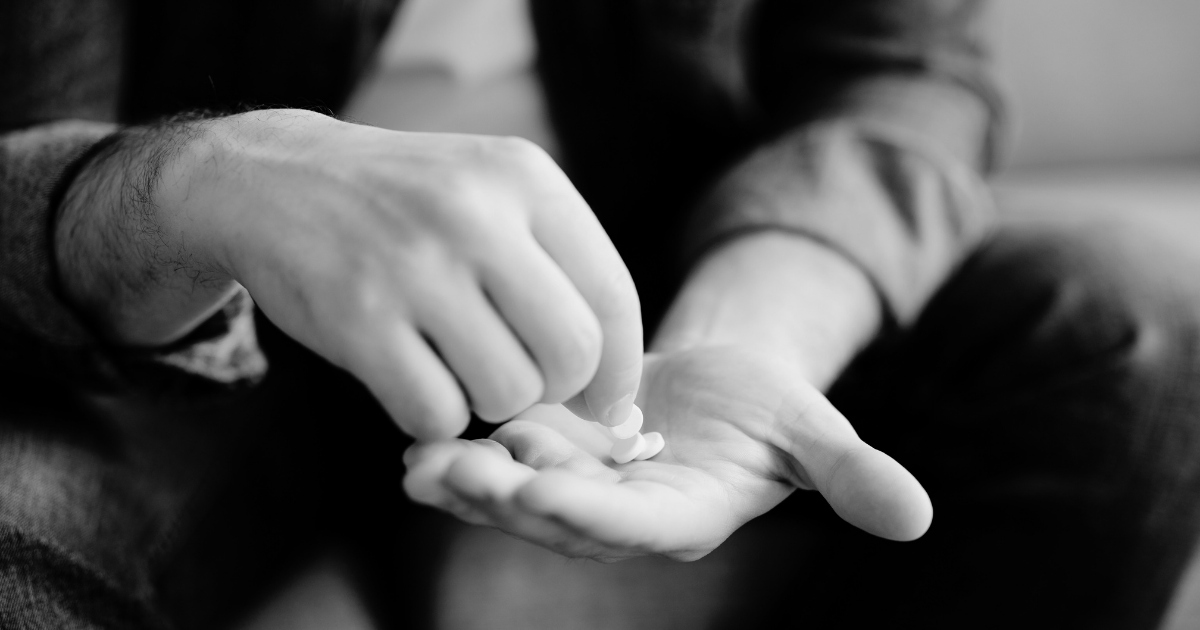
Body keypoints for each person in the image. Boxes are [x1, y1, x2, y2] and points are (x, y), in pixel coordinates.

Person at [2, 2, 1199, 629]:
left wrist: (747, 334)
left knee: (1127, 330)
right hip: (187, 332)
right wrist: (208, 181)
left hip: (647, 310)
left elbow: (902, 76)